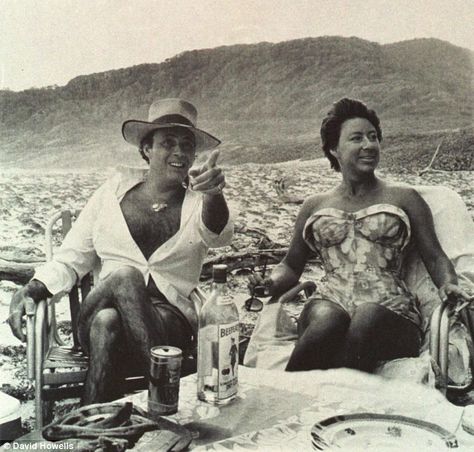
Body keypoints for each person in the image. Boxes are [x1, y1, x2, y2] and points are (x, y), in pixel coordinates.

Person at [8, 98, 233, 403]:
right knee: (124, 278)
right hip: (101, 306)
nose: (179, 152)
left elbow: (218, 233)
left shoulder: (199, 203)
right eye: (168, 142)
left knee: (107, 325)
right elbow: (72, 258)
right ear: (146, 149)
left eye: (187, 144)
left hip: (168, 323)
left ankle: (91, 429)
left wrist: (214, 193)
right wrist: (35, 287)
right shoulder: (111, 195)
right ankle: (164, 397)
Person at [249, 98, 470, 373]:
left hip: (390, 312)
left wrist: (447, 284)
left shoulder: (405, 197)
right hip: (329, 302)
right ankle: (283, 395)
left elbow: (435, 257)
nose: (368, 145)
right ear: (334, 149)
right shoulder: (314, 205)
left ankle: (331, 390)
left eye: (373, 137)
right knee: (328, 319)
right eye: (356, 138)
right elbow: (291, 265)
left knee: (367, 315)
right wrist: (269, 283)